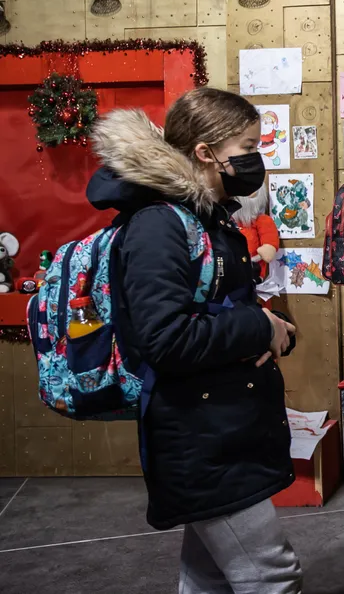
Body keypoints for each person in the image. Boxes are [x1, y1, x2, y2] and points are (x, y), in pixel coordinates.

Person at [86, 89, 302, 593]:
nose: (256, 159)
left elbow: (217, 307)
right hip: (199, 437)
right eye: (247, 146)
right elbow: (165, 338)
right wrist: (258, 326)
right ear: (205, 153)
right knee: (271, 574)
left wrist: (271, 328)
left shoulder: (210, 216)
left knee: (206, 579)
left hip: (222, 427)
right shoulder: (158, 225)